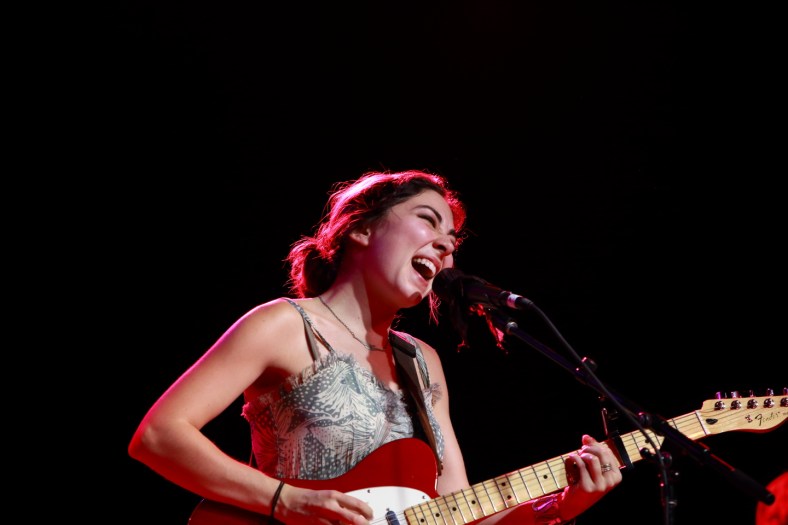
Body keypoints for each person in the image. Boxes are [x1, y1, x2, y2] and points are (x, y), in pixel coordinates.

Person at [129, 169, 623, 525]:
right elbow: (158, 435)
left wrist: (560, 507)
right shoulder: (285, 324)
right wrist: (286, 500)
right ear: (361, 228)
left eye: (453, 239)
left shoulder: (423, 362)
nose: (447, 246)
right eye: (428, 221)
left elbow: (456, 511)